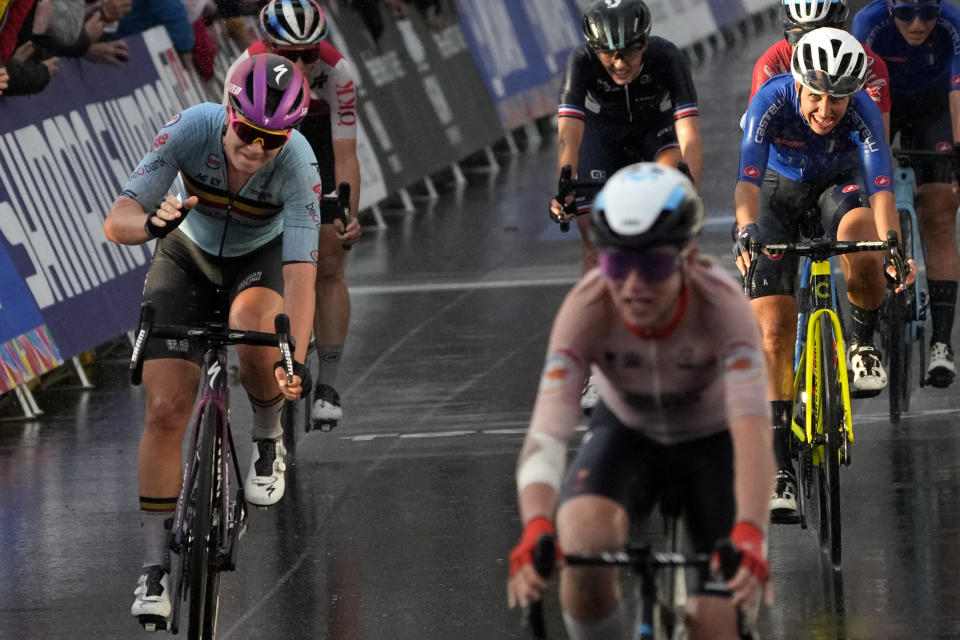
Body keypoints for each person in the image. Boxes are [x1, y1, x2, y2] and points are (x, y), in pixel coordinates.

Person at [508, 163, 775, 640]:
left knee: (715, 627)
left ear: (688, 257)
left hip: (712, 442)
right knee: (581, 547)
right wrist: (534, 525)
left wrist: (752, 531)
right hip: (627, 431)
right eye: (616, 265)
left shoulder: (723, 305)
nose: (632, 285)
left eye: (652, 265)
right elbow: (547, 432)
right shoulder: (587, 307)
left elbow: (752, 429)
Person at [103, 53, 319, 624]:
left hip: (259, 262)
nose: (255, 148)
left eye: (271, 139)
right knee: (167, 408)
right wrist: (149, 225)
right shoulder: (191, 126)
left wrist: (290, 355)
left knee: (257, 330)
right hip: (186, 253)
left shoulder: (298, 164)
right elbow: (118, 217)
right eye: (247, 131)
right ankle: (153, 569)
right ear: (227, 112)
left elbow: (300, 275)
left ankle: (268, 440)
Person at [734, 28, 915, 522]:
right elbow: (747, 182)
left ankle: (859, 344)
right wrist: (747, 230)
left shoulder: (863, 112)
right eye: (815, 95)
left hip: (840, 184)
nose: (824, 109)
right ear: (798, 84)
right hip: (776, 191)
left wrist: (893, 243)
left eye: (837, 99)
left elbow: (880, 190)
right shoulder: (771, 102)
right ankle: (779, 469)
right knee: (773, 327)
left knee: (868, 252)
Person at [550, 0, 703, 412]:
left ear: (645, 42)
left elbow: (689, 136)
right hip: (603, 140)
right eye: (609, 53)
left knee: (673, 203)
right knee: (595, 244)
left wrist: (687, 189)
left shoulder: (668, 57)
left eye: (629, 51)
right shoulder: (581, 62)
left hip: (657, 134)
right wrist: (565, 183)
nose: (619, 62)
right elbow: (570, 137)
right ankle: (596, 369)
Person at [225, 0, 362, 429]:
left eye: (310, 53)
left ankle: (329, 384)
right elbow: (233, 150)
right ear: (267, 46)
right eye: (290, 54)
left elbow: (346, 155)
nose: (301, 62)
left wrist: (348, 215)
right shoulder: (244, 70)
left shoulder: (338, 73)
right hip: (267, 143)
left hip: (317, 143)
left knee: (331, 260)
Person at [853, 0, 960, 388]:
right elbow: (856, 92)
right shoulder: (868, 22)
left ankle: (942, 344)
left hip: (934, 113)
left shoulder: (953, 23)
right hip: (881, 106)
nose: (917, 24)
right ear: (889, 8)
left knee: (940, 213)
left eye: (928, 13)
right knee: (867, 206)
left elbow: (958, 89)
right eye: (906, 14)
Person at [749, 0, 892, 140]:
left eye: (823, 42)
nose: (811, 49)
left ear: (843, 31)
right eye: (799, 39)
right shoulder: (770, 65)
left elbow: (879, 142)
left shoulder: (871, 66)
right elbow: (755, 140)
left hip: (844, 149)